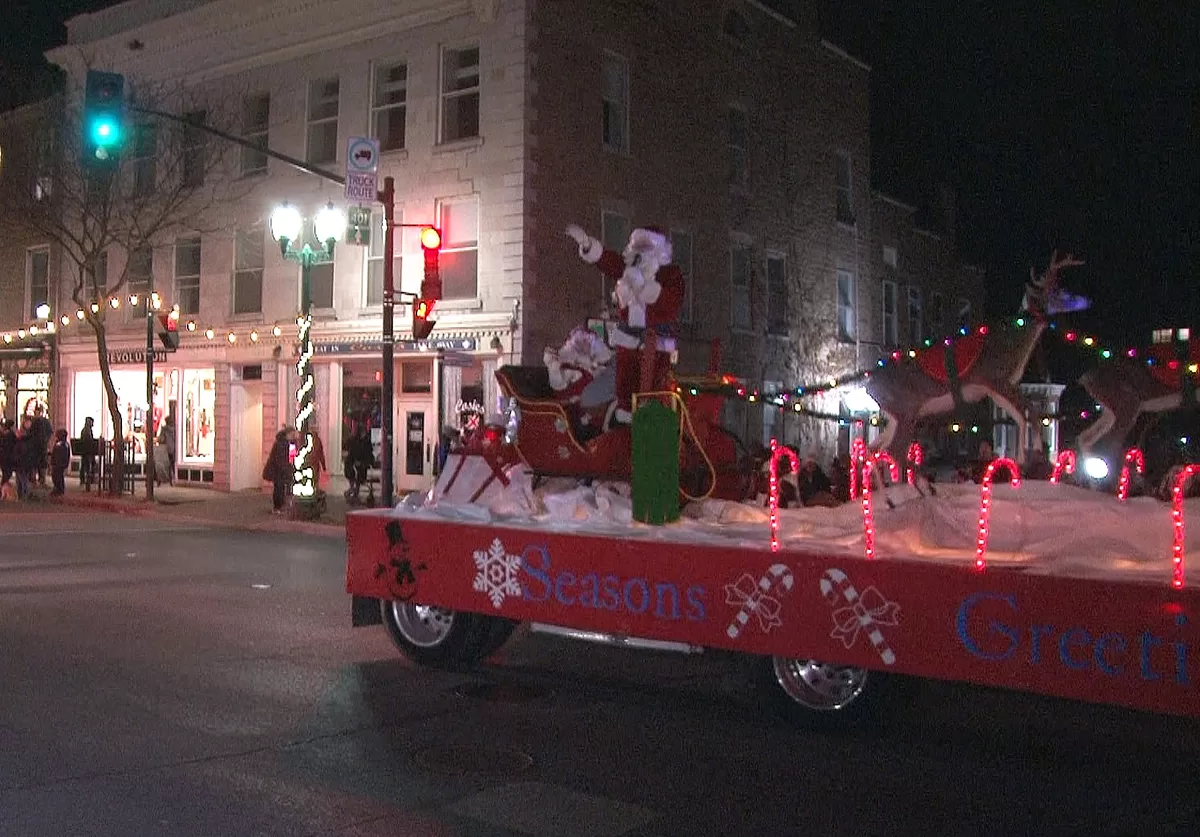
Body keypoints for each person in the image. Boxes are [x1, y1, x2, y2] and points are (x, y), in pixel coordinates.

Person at [566, 223, 685, 425]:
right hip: (628, 339)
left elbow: (670, 303)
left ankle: (648, 422)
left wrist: (644, 287)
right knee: (624, 382)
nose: (640, 254)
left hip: (655, 343)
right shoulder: (629, 270)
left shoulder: (669, 275)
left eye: (645, 249)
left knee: (652, 387)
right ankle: (624, 418)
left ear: (659, 252)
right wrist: (587, 245)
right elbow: (609, 261)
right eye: (637, 249)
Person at [262, 428, 292, 514]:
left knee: (282, 488)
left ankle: (281, 506)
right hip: (277, 470)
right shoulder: (280, 443)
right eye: (292, 434)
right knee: (279, 488)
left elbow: (292, 457)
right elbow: (279, 459)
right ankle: (277, 507)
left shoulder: (290, 443)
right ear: (287, 434)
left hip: (284, 469)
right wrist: (286, 468)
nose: (293, 436)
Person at [343, 422, 373, 503]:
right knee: (354, 474)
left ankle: (354, 491)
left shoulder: (366, 442)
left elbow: (369, 453)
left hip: (361, 465)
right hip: (353, 464)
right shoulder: (354, 441)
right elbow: (350, 453)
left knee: (359, 475)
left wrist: (367, 462)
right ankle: (353, 491)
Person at [30, 404, 52, 485]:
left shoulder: (35, 421)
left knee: (38, 463)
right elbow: (50, 432)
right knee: (40, 463)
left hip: (38, 446)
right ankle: (40, 480)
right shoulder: (43, 421)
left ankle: (38, 480)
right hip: (40, 446)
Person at [49, 428, 70, 496]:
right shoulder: (64, 444)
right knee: (58, 476)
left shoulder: (61, 444)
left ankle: (59, 489)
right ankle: (59, 489)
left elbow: (58, 454)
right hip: (60, 463)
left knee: (57, 477)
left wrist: (54, 462)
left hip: (58, 464)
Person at [79, 416, 97, 491]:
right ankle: (89, 480)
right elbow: (88, 441)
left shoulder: (86, 430)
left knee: (85, 465)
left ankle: (85, 479)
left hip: (85, 451)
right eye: (91, 422)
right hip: (87, 451)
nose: (93, 424)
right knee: (89, 465)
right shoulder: (87, 430)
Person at [157, 415, 176, 485]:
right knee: (172, 464)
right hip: (173, 448)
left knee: (163, 464)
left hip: (165, 448)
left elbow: (161, 439)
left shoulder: (164, 429)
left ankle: (161, 480)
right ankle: (173, 478)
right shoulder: (175, 429)